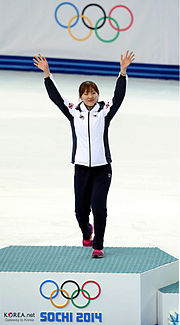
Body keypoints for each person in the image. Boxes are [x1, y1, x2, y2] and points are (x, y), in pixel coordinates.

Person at [33, 51, 135, 258]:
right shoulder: (74, 111)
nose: (90, 96)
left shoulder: (105, 111)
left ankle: (98, 245)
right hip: (81, 168)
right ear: (80, 96)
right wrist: (47, 75)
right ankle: (86, 232)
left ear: (97, 94)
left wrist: (122, 73)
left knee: (99, 207)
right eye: (86, 93)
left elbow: (119, 97)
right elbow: (56, 98)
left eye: (93, 92)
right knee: (80, 211)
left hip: (102, 168)